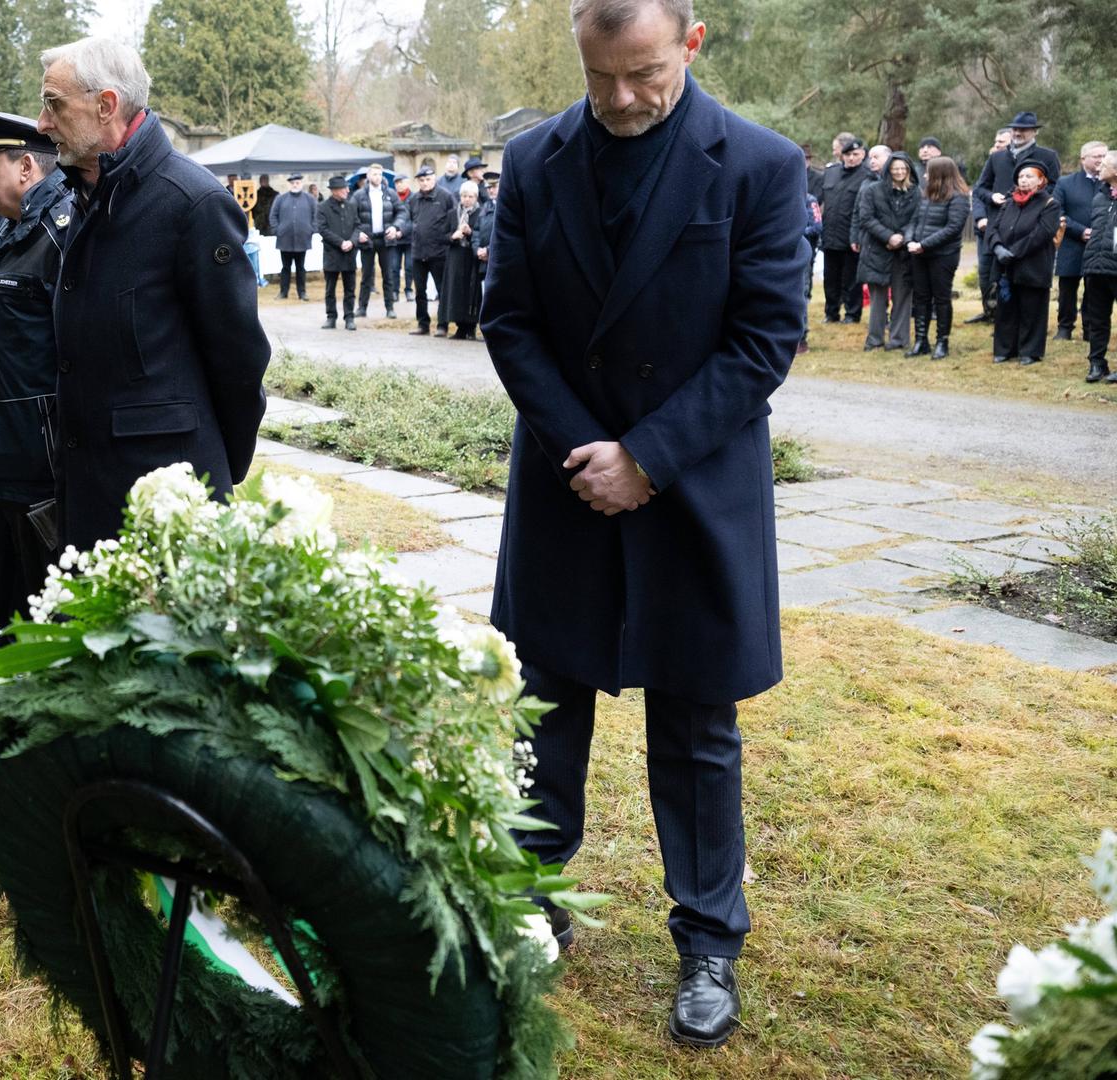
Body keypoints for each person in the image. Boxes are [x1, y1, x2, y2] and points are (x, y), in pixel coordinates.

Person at [481, 0, 809, 1049]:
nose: (623, 99)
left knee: (699, 726)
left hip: (696, 485)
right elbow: (510, 321)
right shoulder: (533, 162)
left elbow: (764, 340)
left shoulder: (758, 164)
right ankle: (531, 904)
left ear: (692, 43)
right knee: (545, 707)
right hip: (568, 479)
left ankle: (710, 940)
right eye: (601, 75)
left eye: (646, 74)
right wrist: (592, 455)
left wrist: (650, 459)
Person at [34, 35, 270, 549]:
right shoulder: (88, 191)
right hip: (92, 486)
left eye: (53, 104)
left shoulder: (193, 202)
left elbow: (239, 359)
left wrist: (211, 472)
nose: (42, 123)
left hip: (167, 496)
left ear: (106, 105)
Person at [0, 108, 72, 638]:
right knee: (9, 565)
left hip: (40, 445)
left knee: (47, 575)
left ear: (27, 166)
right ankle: (12, 650)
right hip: (3, 437)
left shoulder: (59, 230)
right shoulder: (13, 230)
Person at [974, 112, 1064, 328]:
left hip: (1030, 229)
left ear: (1034, 131)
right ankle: (998, 323)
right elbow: (980, 188)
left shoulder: (1048, 156)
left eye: (1022, 129)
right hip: (999, 227)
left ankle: (1025, 330)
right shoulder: (996, 157)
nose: (1017, 132)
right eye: (1014, 128)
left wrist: (1031, 198)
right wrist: (991, 197)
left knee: (1026, 280)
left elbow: (1055, 187)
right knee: (992, 276)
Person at [988, 160, 1063, 366]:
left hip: (1033, 265)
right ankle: (1005, 349)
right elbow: (993, 228)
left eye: (1029, 176)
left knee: (1032, 309)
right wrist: (998, 248)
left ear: (1041, 181)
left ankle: (1030, 351)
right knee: (1006, 310)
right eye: (1021, 176)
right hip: (1005, 266)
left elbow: (1042, 234)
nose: (1023, 180)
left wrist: (1013, 252)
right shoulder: (1009, 202)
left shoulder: (1050, 204)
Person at [855, 153, 920, 352]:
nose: (899, 172)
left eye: (903, 168)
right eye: (895, 168)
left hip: (902, 253)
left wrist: (901, 238)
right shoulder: (872, 190)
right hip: (876, 250)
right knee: (877, 300)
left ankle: (899, 339)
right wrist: (888, 236)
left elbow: (917, 219)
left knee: (902, 297)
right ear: (888, 170)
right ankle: (874, 339)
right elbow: (866, 217)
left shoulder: (916, 192)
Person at [906, 156, 968, 358]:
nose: (924, 175)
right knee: (921, 297)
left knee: (941, 298)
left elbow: (953, 228)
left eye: (928, 172)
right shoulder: (926, 195)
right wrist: (910, 241)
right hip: (919, 254)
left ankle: (942, 341)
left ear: (939, 174)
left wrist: (924, 245)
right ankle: (921, 340)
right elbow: (913, 221)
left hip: (943, 255)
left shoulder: (958, 197)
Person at [1054, 142, 1107, 342]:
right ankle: (1064, 328)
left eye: (1104, 155)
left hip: (1100, 246)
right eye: (1096, 156)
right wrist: (1080, 231)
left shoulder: (1110, 183)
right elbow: (1057, 212)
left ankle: (1090, 329)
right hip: (1071, 242)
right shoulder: (1065, 183)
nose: (1101, 160)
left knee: (1094, 289)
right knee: (1067, 288)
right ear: (1083, 159)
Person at [348, 163, 408, 320]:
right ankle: (362, 307)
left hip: (386, 239)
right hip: (367, 239)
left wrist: (395, 227)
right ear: (368, 176)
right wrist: (358, 232)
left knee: (388, 275)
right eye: (374, 174)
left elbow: (402, 212)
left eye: (380, 175)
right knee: (366, 275)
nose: (377, 177)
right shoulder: (359, 195)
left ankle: (390, 308)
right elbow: (351, 217)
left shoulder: (390, 193)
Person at [967, 128, 1015, 324]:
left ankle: (1002, 313)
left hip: (1006, 229)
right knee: (985, 272)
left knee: (1002, 273)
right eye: (996, 142)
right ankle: (988, 311)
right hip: (985, 230)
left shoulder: (1016, 169)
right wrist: (979, 218)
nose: (996, 146)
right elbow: (978, 193)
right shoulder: (991, 164)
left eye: (1001, 143)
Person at [817, 137, 867, 322]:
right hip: (830, 234)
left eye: (856, 154)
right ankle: (831, 313)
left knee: (852, 279)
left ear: (862, 154)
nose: (852, 158)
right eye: (848, 154)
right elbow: (821, 200)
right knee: (830, 278)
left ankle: (852, 314)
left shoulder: (867, 175)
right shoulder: (831, 173)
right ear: (842, 155)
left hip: (851, 237)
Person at [1079, 153, 1117, 383]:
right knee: (1097, 318)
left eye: (1105, 164)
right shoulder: (1100, 196)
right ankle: (1096, 363)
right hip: (1095, 266)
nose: (1099, 166)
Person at [406, 166, 456, 336]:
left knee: (442, 290)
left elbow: (453, 220)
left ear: (434, 179)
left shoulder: (446, 196)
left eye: (428, 179)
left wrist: (448, 238)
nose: (425, 183)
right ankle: (423, 324)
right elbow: (409, 220)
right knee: (420, 291)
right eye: (421, 180)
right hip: (418, 252)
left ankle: (443, 325)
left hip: (439, 251)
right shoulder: (413, 199)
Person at [442, 178, 487, 340]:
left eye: (470, 197)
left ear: (476, 198)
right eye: (464, 196)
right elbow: (443, 235)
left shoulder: (480, 213)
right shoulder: (453, 213)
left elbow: (482, 235)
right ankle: (460, 326)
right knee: (456, 291)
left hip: (471, 257)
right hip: (455, 256)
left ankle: (471, 326)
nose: (467, 199)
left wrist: (470, 233)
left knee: (471, 291)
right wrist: (453, 236)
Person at [317, 175, 358, 330]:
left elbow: (357, 226)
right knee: (330, 289)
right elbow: (322, 229)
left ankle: (349, 317)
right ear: (334, 191)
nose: (347, 190)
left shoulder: (351, 206)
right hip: (332, 253)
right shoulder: (323, 207)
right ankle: (331, 317)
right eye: (343, 188)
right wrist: (341, 242)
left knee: (350, 289)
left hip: (349, 254)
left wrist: (352, 242)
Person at [267, 174, 316, 300]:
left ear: (301, 184)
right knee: (285, 268)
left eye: (297, 182)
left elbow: (316, 216)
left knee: (301, 267)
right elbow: (273, 216)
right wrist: (277, 230)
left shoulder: (309, 199)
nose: (295, 185)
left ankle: (302, 293)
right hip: (285, 239)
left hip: (302, 239)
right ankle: (283, 292)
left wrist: (311, 230)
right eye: (293, 183)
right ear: (289, 184)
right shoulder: (280, 199)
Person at [394, 173, 415, 300]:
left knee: (409, 266)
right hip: (394, 240)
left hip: (409, 239)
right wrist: (394, 230)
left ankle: (408, 290)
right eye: (397, 183)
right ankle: (394, 291)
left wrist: (402, 231)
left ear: (407, 183)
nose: (399, 185)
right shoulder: (392, 197)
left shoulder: (414, 198)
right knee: (394, 267)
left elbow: (415, 219)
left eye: (401, 182)